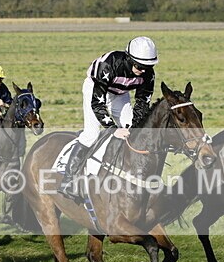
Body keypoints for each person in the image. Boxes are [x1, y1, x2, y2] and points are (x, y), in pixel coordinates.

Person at [58, 36, 157, 199]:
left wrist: (133, 125)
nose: (144, 70)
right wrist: (112, 129)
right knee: (92, 135)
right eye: (140, 66)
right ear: (129, 58)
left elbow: (142, 103)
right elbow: (97, 104)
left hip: (120, 94)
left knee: (134, 132)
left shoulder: (148, 74)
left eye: (149, 66)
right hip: (95, 90)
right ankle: (68, 179)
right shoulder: (108, 66)